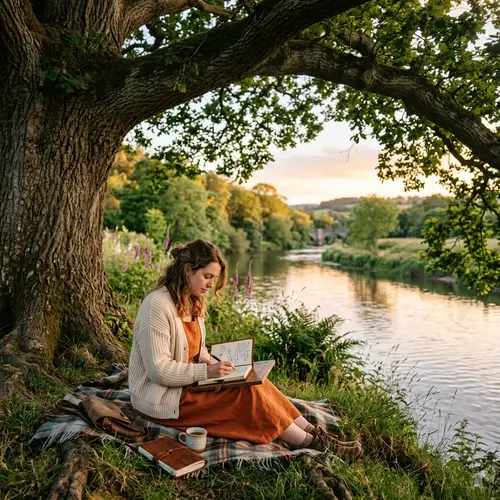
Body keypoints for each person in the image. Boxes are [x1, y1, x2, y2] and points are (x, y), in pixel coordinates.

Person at [129, 239, 362, 459]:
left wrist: (211, 362)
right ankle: (310, 444)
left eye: (214, 278)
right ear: (187, 270)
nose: (211, 284)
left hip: (187, 385)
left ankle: (314, 432)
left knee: (256, 382)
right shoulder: (157, 306)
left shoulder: (191, 300)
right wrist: (207, 373)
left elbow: (195, 351)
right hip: (164, 399)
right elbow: (158, 370)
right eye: (207, 276)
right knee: (246, 395)